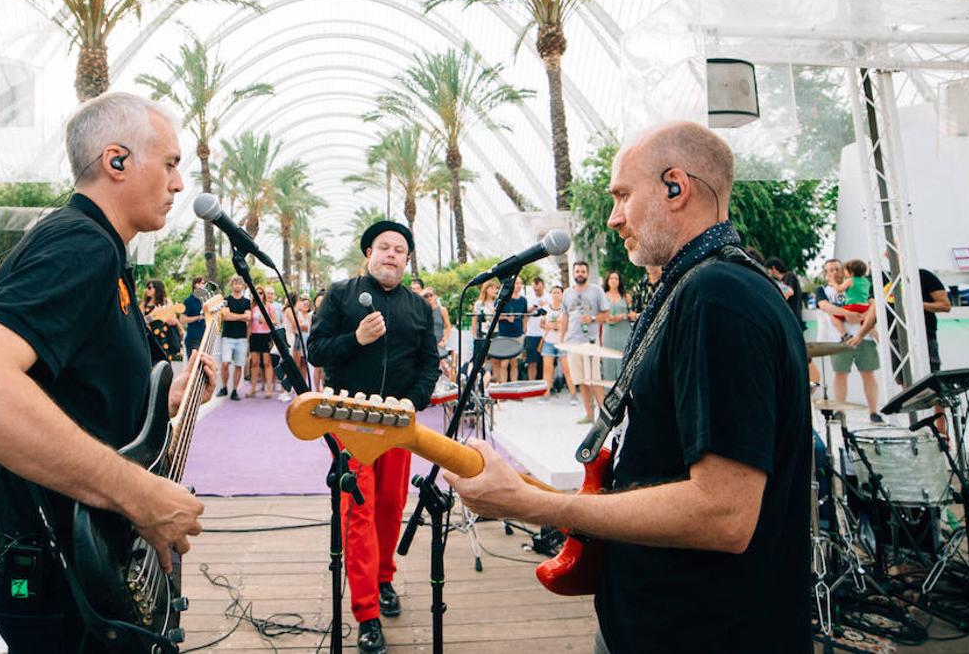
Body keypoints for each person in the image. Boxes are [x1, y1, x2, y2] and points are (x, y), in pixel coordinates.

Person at [447, 121, 810, 654]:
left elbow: (724, 514)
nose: (614, 217)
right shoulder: (698, 287)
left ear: (674, 187)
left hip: (702, 631)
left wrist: (533, 504)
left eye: (622, 195)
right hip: (662, 620)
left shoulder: (717, 296)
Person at [0, 91, 217, 652]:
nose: (179, 185)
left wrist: (164, 398)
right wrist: (141, 496)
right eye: (172, 163)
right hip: (60, 570)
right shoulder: (80, 243)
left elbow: (77, 393)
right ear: (117, 161)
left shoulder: (104, 252)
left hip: (86, 562)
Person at [307, 220, 440, 654]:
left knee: (390, 506)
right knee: (357, 511)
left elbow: (429, 364)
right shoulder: (342, 294)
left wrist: (414, 402)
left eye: (399, 250)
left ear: (407, 260)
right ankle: (366, 612)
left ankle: (384, 579)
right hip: (351, 423)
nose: (391, 254)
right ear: (369, 252)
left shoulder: (418, 308)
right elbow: (316, 350)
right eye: (383, 247)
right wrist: (356, 338)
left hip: (398, 425)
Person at [816, 259, 883, 424]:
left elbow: (873, 304)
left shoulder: (860, 284)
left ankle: (874, 411)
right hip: (838, 341)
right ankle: (840, 410)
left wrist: (863, 316)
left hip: (864, 337)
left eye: (837, 269)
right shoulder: (824, 290)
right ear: (826, 274)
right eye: (830, 270)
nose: (834, 272)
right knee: (840, 375)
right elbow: (824, 306)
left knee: (868, 374)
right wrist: (847, 314)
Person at [563, 260, 611, 424]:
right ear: (573, 273)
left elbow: (606, 315)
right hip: (573, 342)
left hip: (590, 343)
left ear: (587, 273)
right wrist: (562, 340)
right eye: (577, 271)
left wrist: (591, 318)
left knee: (594, 379)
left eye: (583, 271)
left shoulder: (596, 291)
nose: (580, 274)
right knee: (581, 380)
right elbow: (565, 317)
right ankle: (589, 415)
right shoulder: (567, 293)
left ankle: (604, 416)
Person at [216, 276, 252, 400]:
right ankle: (224, 387)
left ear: (243, 286)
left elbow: (248, 317)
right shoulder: (226, 300)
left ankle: (235, 390)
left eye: (240, 283)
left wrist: (233, 315)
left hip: (241, 338)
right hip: (227, 337)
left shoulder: (247, 302)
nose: (237, 285)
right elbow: (225, 317)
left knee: (239, 365)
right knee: (225, 363)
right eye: (235, 283)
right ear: (232, 285)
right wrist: (241, 316)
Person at [491, 274, 528, 384]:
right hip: (504, 335)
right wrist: (506, 318)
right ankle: (503, 388)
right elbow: (494, 315)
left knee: (514, 363)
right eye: (516, 283)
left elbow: (525, 315)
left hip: (517, 334)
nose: (518, 286)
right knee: (504, 363)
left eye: (520, 283)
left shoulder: (523, 300)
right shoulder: (504, 299)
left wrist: (525, 328)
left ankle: (514, 388)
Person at [599, 271, 631, 385]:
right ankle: (609, 393)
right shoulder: (601, 296)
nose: (613, 280)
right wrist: (606, 318)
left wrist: (622, 316)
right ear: (607, 281)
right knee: (608, 361)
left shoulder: (626, 296)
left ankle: (625, 390)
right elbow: (598, 315)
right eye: (611, 278)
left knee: (624, 359)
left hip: (624, 331)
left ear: (619, 281)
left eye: (616, 278)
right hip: (608, 332)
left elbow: (633, 314)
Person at [145, 279, 182, 360]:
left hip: (165, 336)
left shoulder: (166, 301)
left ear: (157, 289)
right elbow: (141, 322)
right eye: (147, 287)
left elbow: (173, 318)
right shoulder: (143, 304)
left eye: (149, 288)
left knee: (165, 362)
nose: (146, 290)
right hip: (150, 338)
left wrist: (179, 328)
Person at [541, 284, 566, 395]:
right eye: (554, 292)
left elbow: (567, 324)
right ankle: (545, 393)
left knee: (567, 369)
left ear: (562, 294)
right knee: (547, 369)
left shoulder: (566, 308)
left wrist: (556, 325)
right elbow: (542, 324)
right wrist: (549, 325)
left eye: (558, 292)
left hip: (562, 341)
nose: (556, 295)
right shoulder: (545, 308)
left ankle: (573, 395)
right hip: (548, 341)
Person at [521, 277, 547, 381]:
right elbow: (524, 314)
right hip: (531, 333)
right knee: (532, 361)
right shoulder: (528, 298)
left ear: (543, 286)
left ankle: (548, 385)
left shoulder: (549, 297)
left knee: (547, 361)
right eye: (535, 289)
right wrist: (532, 308)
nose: (537, 291)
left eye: (539, 289)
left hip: (545, 333)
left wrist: (545, 306)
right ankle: (532, 383)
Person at [181, 276, 207, 356]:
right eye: (201, 283)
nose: (203, 285)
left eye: (203, 283)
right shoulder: (188, 301)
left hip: (204, 336)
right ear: (195, 285)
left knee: (203, 364)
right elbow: (182, 320)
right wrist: (198, 317)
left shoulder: (205, 300)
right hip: (193, 337)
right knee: (193, 363)